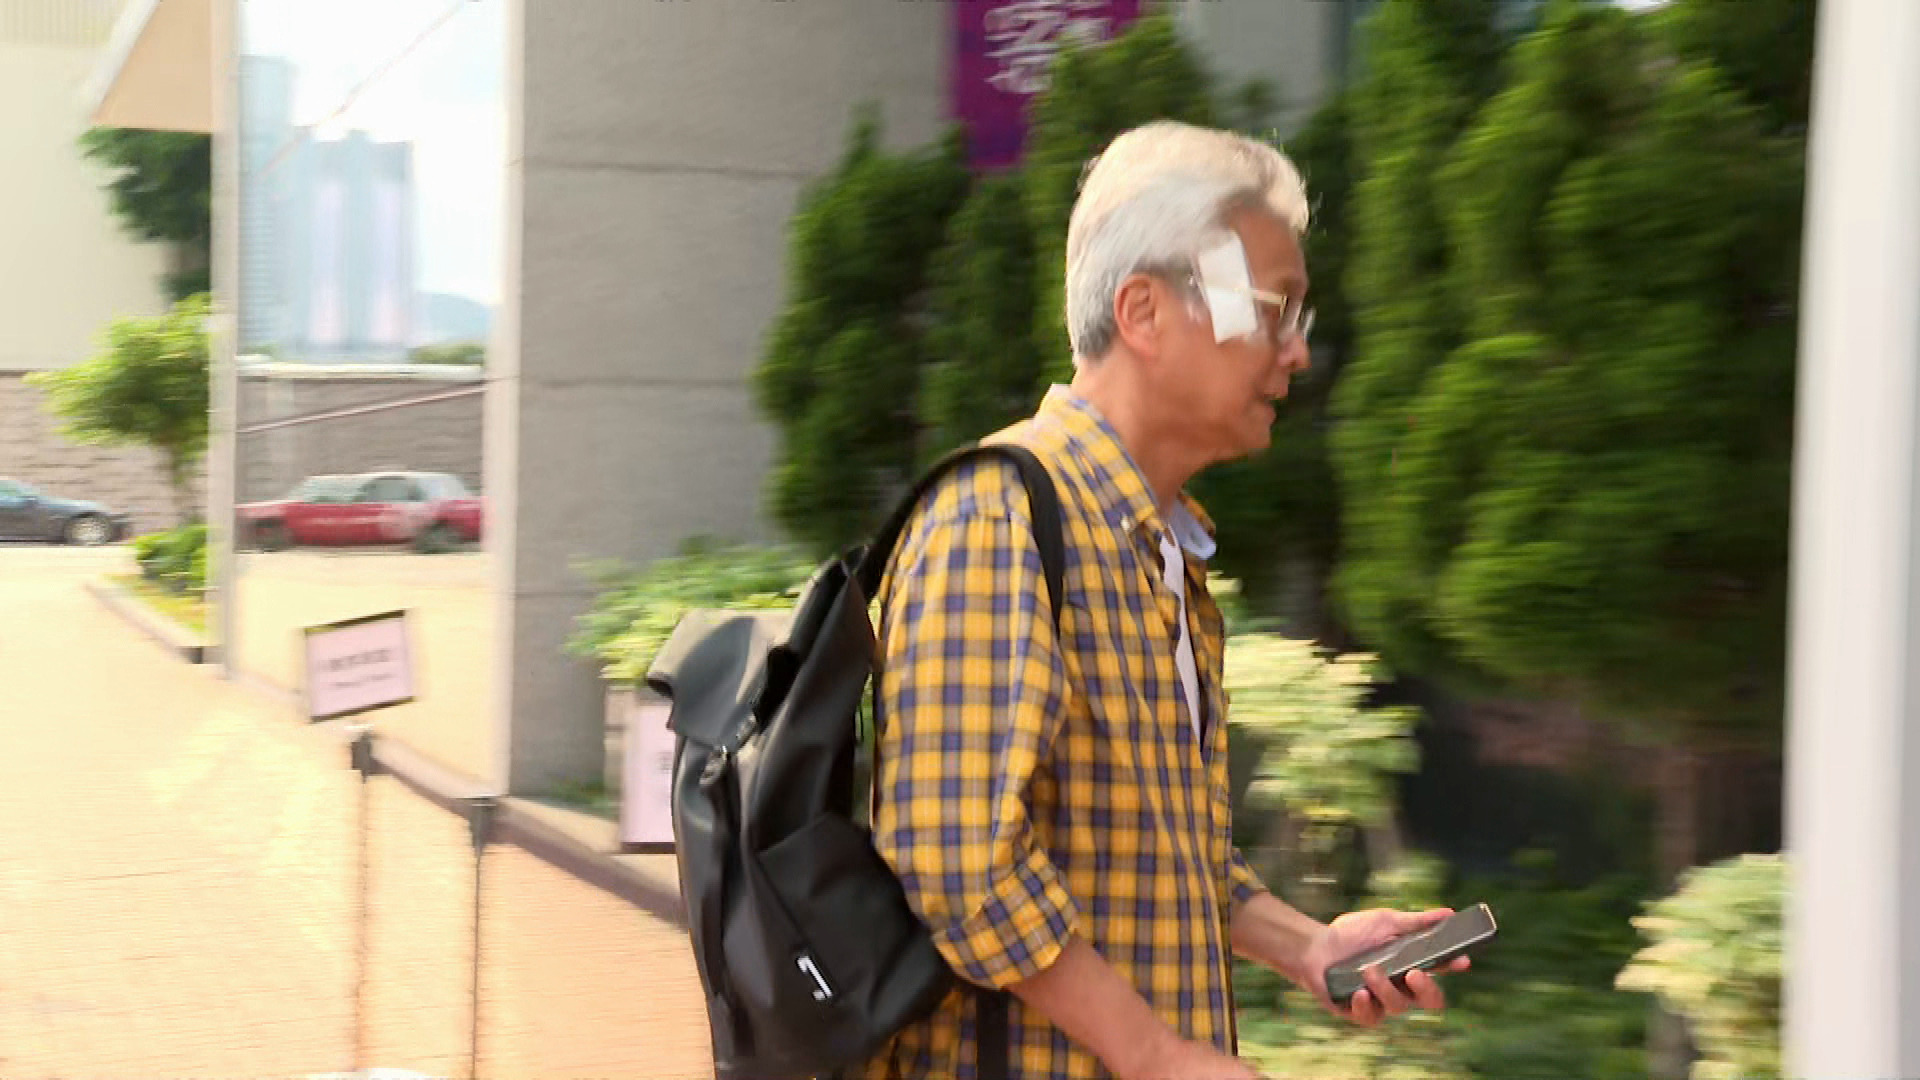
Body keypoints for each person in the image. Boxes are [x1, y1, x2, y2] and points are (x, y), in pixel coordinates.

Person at [856, 121, 1469, 1080]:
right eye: (1274, 309)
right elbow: (957, 857)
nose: (1297, 353)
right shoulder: (998, 519)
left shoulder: (1156, 546)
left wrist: (1309, 946)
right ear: (1143, 312)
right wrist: (1154, 1056)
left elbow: (1158, 851)